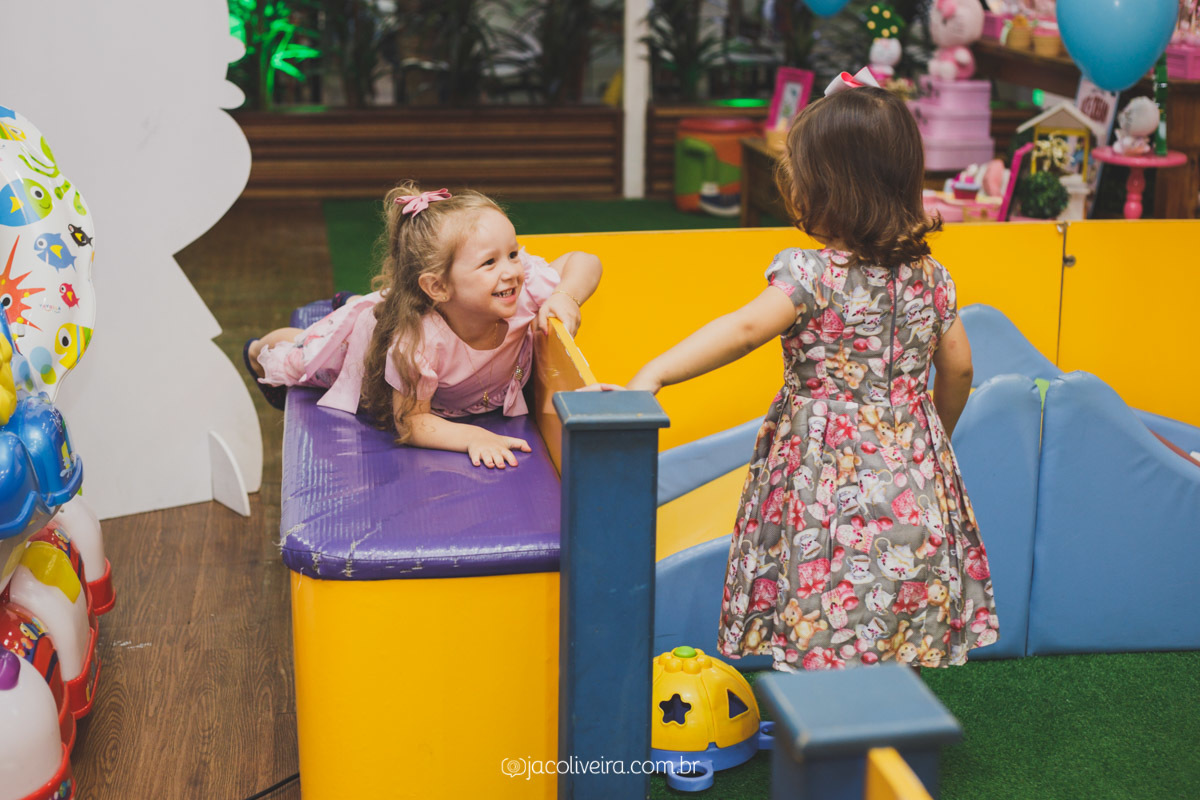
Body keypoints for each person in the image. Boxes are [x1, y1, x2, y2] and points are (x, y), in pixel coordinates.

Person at [624, 73, 997, 670]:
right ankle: (879, 724)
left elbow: (744, 330)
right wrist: (934, 438)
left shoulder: (813, 273)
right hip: (914, 471)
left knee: (823, 585)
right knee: (891, 597)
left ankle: (827, 724)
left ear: (825, 189)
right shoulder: (934, 277)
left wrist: (655, 373)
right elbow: (960, 368)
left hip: (826, 475)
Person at [243, 183, 602, 469]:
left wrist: (566, 297)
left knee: (371, 309)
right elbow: (412, 422)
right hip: (368, 354)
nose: (512, 269)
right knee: (304, 354)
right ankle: (258, 349)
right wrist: (472, 437)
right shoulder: (418, 342)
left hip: (413, 315)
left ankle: (359, 302)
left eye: (512, 253)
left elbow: (585, 260)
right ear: (439, 287)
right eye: (489, 262)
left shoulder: (522, 292)